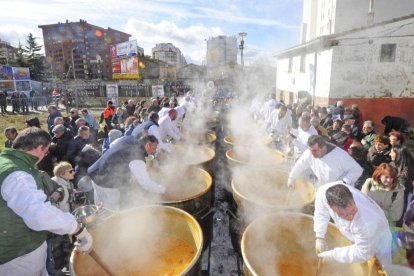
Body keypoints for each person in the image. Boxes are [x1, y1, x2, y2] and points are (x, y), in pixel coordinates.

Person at [0, 127, 92, 275]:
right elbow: (38, 215)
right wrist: (77, 228)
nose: (45, 155)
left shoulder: (8, 162)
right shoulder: (17, 174)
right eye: (46, 151)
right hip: (18, 257)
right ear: (40, 148)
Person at [314, 182, 392, 265]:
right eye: (343, 215)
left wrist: (332, 255)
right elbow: (321, 213)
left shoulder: (366, 222)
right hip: (360, 235)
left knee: (382, 267)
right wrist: (320, 236)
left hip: (379, 238)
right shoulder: (323, 193)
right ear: (330, 206)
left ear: (353, 198)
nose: (350, 217)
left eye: (352, 211)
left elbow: (362, 253)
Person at [88, 134, 165, 210]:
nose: (154, 151)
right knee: (110, 211)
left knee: (99, 207)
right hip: (106, 182)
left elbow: (113, 145)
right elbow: (146, 183)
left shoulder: (129, 138)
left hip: (95, 172)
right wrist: (163, 190)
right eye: (154, 148)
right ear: (148, 145)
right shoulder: (138, 156)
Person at [288, 135, 363, 188]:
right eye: (310, 150)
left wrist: (343, 182)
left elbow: (357, 170)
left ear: (323, 147)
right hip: (324, 186)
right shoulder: (309, 152)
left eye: (314, 150)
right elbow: (300, 164)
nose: (311, 153)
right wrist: (292, 177)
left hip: (341, 190)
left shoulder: (340, 155)